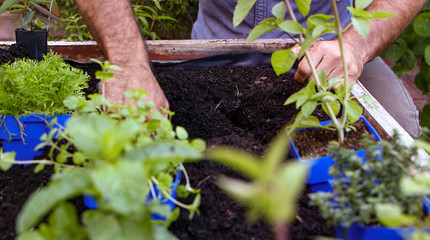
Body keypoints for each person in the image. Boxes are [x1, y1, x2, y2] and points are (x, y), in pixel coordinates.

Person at [74, 0, 426, 138]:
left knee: (394, 128)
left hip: (331, 49)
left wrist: (355, 46)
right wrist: (127, 62)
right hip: (216, 46)